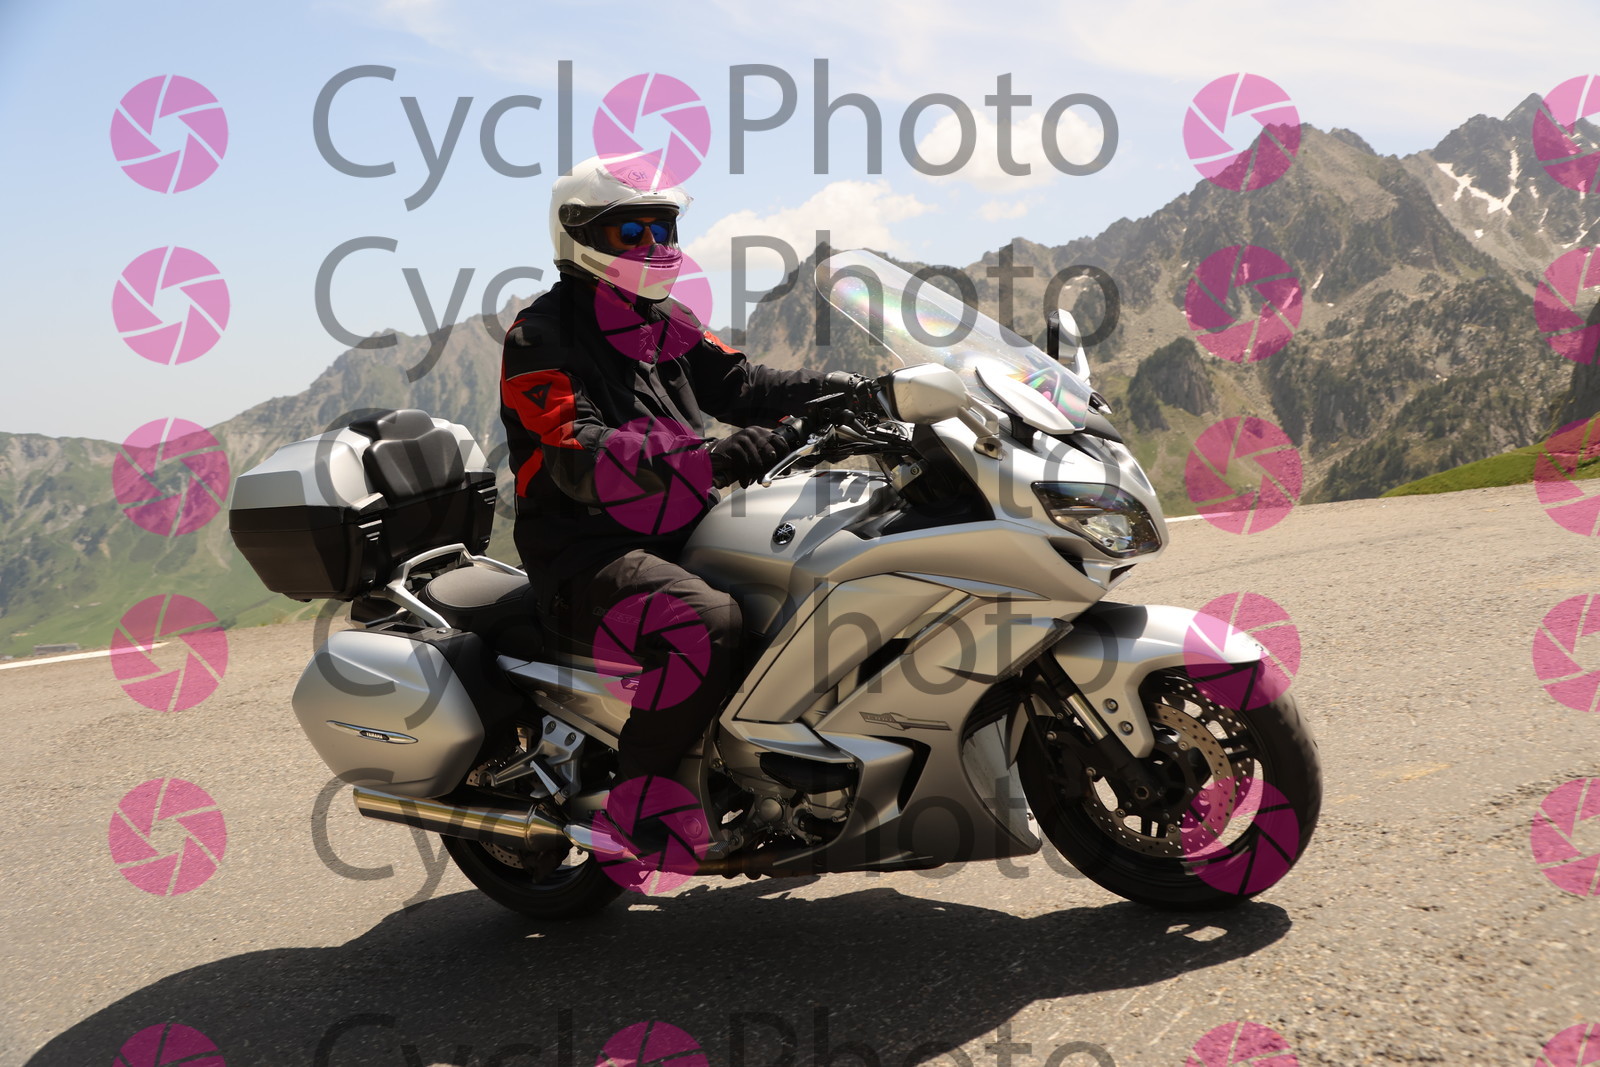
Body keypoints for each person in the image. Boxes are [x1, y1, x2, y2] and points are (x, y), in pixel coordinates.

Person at [499, 156, 862, 785]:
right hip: (588, 551)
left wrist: (844, 387)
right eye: (630, 231)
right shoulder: (539, 337)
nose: (653, 243)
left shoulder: (664, 319)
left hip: (684, 527)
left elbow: (742, 385)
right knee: (706, 623)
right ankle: (641, 801)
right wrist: (707, 460)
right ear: (579, 234)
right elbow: (578, 452)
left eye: (661, 228)